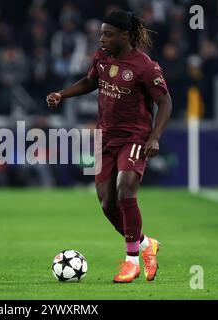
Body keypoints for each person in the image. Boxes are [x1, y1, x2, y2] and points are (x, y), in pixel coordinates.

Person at [46, 10, 172, 283]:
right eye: (101, 34)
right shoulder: (102, 58)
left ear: (125, 35)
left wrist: (154, 136)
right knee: (107, 204)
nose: (101, 39)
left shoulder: (145, 66)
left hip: (134, 138)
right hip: (105, 139)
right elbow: (91, 82)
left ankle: (131, 262)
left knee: (125, 189)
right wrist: (62, 94)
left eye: (107, 34)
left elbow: (165, 103)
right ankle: (145, 244)